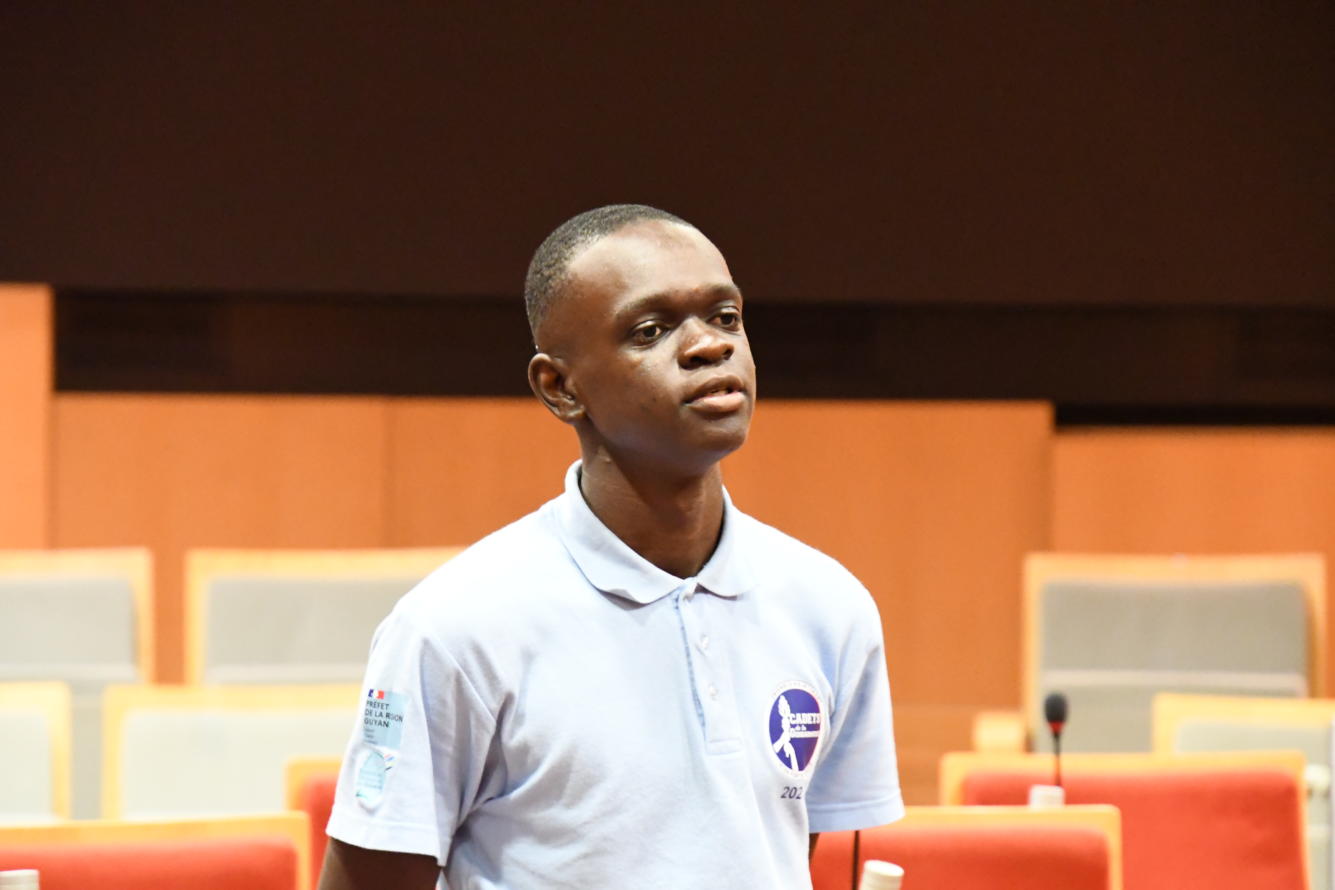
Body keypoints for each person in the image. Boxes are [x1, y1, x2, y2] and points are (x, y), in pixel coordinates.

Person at [319, 204, 903, 889]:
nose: (708, 346)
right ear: (560, 387)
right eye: (650, 330)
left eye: (725, 317)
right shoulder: (454, 628)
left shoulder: (828, 605)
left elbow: (778, 851)